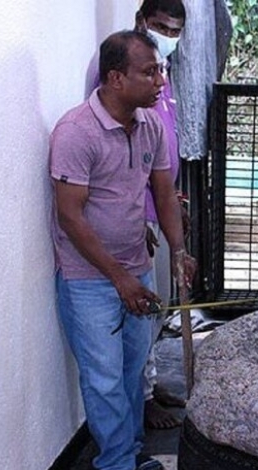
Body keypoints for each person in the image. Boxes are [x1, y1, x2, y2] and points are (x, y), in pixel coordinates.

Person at [51, 30, 196, 470]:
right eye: (150, 71)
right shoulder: (76, 132)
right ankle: (115, 467)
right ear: (116, 78)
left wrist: (178, 252)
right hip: (88, 278)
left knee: (133, 369)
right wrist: (118, 279)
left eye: (160, 69)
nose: (161, 80)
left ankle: (131, 450)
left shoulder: (150, 124)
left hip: (134, 266)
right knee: (104, 375)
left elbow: (163, 193)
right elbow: (69, 215)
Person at [85, 0, 188, 430]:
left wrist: (169, 202)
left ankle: (147, 384)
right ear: (143, 21)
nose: (169, 36)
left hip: (158, 202)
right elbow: (117, 152)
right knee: (136, 314)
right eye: (162, 26)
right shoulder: (121, 71)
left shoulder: (159, 73)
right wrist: (142, 214)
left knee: (150, 311)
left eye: (176, 29)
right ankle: (141, 400)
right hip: (133, 214)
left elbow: (160, 143)